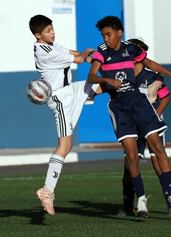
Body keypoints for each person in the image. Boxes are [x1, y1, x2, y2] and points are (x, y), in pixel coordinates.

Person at [87, 16, 171, 217]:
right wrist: (106, 79)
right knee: (132, 156)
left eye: (108, 34)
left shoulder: (131, 49)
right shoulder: (101, 52)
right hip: (120, 108)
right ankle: (140, 199)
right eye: (103, 35)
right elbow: (91, 76)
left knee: (157, 148)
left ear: (119, 32)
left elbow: (149, 62)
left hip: (140, 104)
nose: (106, 38)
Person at [29, 15, 100, 216]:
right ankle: (47, 191)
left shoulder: (51, 46)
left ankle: (141, 91)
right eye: (48, 31)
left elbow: (74, 53)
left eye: (52, 28)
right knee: (65, 146)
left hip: (70, 91)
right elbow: (78, 58)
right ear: (38, 35)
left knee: (101, 85)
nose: (52, 33)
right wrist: (88, 55)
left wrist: (95, 58)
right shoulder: (44, 53)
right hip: (60, 100)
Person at [121, 38, 171, 216]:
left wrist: (155, 115)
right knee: (129, 163)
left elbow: (166, 96)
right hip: (133, 125)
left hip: (150, 124)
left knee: (157, 159)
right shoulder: (125, 76)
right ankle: (128, 206)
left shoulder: (152, 77)